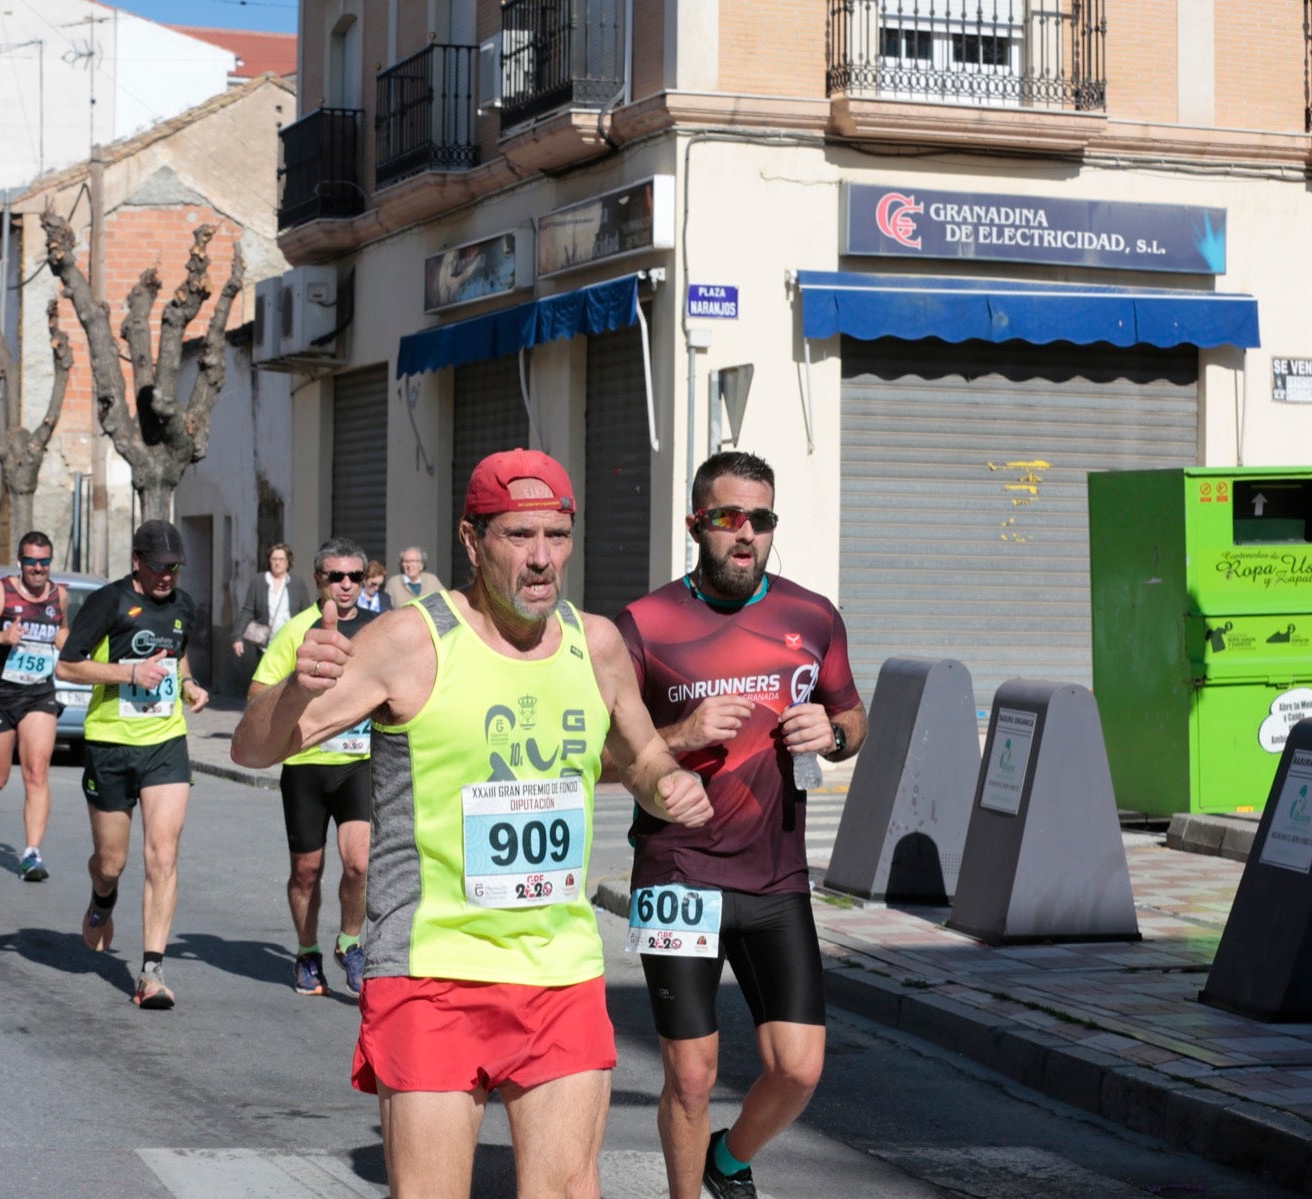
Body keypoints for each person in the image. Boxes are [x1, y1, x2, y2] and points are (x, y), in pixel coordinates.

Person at [232, 449, 713, 1199]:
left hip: (559, 965)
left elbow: (642, 752)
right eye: (519, 535)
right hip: (432, 967)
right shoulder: (409, 642)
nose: (542, 557)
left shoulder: (599, 644)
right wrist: (296, 685)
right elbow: (255, 746)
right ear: (471, 540)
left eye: (557, 534)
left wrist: (670, 782)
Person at [613, 450, 866, 1199]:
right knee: (691, 1074)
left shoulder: (811, 615)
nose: (746, 533)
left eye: (761, 518)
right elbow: (594, 755)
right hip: (675, 871)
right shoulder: (647, 623)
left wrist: (837, 733)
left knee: (799, 1066)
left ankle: (727, 1161)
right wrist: (681, 734)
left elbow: (854, 714)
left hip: (774, 874)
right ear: (698, 524)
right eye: (729, 518)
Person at [57, 519, 210, 1009]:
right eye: (160, 568)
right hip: (110, 745)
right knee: (112, 863)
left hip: (166, 741)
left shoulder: (183, 605)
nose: (168, 577)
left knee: (162, 855)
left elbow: (178, 656)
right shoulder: (109, 601)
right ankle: (103, 898)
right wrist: (128, 672)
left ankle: (151, 972)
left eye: (176, 568)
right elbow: (68, 664)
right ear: (137, 561)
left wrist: (187, 685)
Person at [249, 537, 379, 996]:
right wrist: (298, 687)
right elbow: (257, 696)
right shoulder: (296, 631)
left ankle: (350, 943)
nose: (346, 586)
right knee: (307, 870)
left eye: (355, 577)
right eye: (335, 576)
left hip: (359, 763)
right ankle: (307, 952)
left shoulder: (379, 631)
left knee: (358, 863)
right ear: (319, 579)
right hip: (306, 764)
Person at [0, 531, 70, 882]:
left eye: (45, 562)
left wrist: (76, 649)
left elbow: (60, 630)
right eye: (32, 562)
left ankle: (32, 853)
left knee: (36, 772)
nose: (38, 569)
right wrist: (1, 637)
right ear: (20, 562)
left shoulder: (58, 595)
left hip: (38, 694)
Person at [230, 543, 309, 676]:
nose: (277, 563)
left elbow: (306, 613)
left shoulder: (297, 583)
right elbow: (247, 610)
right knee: (266, 683)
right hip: (265, 646)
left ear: (288, 561)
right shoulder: (258, 581)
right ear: (269, 560)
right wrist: (237, 637)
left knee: (288, 685)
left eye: (281, 559)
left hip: (291, 645)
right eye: (274, 559)